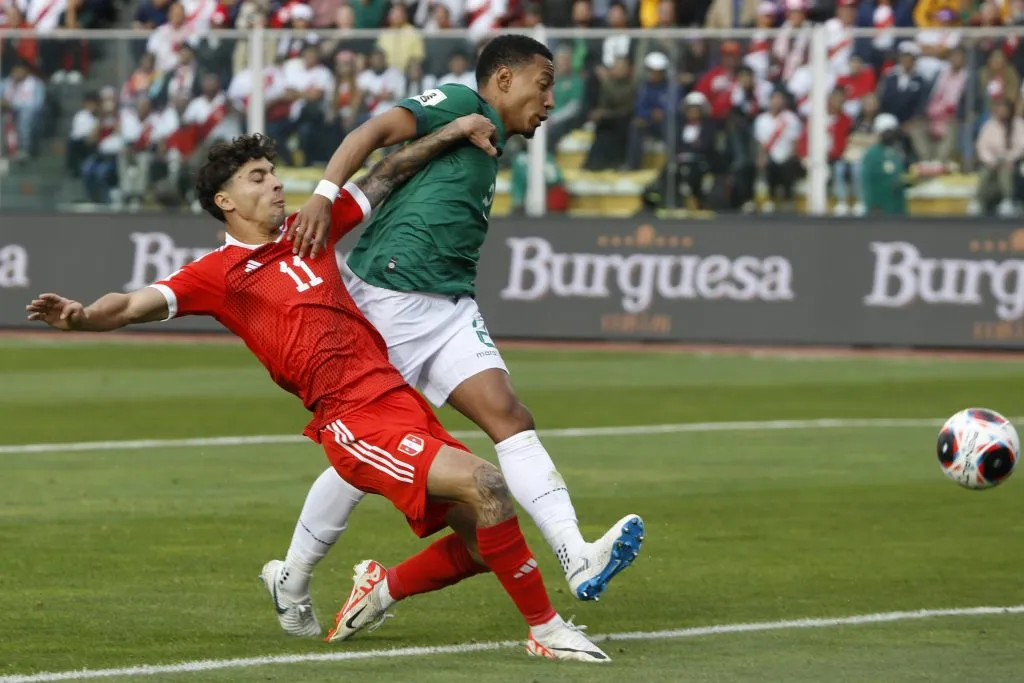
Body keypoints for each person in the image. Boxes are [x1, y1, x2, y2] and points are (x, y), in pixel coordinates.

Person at [25, 129, 610, 664]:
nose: (276, 182)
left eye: (274, 172)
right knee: (488, 483)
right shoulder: (218, 274)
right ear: (225, 201)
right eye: (257, 177)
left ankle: (379, 588)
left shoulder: (312, 227)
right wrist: (81, 318)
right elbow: (128, 305)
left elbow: (387, 172)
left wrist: (455, 130)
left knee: (487, 542)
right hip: (351, 419)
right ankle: (546, 630)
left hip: (399, 401)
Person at [274, 34, 645, 640]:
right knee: (361, 458)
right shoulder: (452, 101)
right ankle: (293, 574)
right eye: (542, 83)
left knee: (509, 417)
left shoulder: (488, 138)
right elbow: (371, 132)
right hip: (388, 302)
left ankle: (577, 554)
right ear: (502, 80)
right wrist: (322, 195)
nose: (550, 100)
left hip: (449, 307)